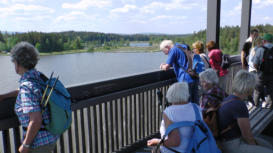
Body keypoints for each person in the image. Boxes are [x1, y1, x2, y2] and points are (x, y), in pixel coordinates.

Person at [9, 42, 59, 153]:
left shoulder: (27, 87)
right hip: (50, 138)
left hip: (38, 144)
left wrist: (25, 145)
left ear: (18, 64)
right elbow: (26, 92)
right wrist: (5, 96)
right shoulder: (38, 77)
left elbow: (36, 120)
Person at [218, 70, 273, 153]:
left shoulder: (229, 98)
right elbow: (247, 136)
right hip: (232, 144)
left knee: (268, 145)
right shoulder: (239, 105)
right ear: (249, 88)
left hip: (225, 141)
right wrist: (255, 147)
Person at [147, 82, 202, 153]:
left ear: (170, 95)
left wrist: (157, 141)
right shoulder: (197, 108)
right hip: (196, 149)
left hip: (175, 151)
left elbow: (175, 142)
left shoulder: (169, 112)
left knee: (155, 150)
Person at [159, 40, 199, 104]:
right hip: (194, 76)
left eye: (165, 52)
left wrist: (162, 66)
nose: (166, 54)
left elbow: (166, 67)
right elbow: (183, 62)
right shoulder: (183, 47)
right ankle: (197, 114)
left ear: (167, 47)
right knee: (195, 102)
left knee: (186, 102)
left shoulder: (173, 50)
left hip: (185, 79)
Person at [253, 33, 273, 109]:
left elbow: (255, 63)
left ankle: (255, 108)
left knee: (257, 91)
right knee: (270, 92)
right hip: (271, 75)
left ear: (264, 41)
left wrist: (258, 69)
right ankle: (269, 110)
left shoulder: (260, 49)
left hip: (261, 74)